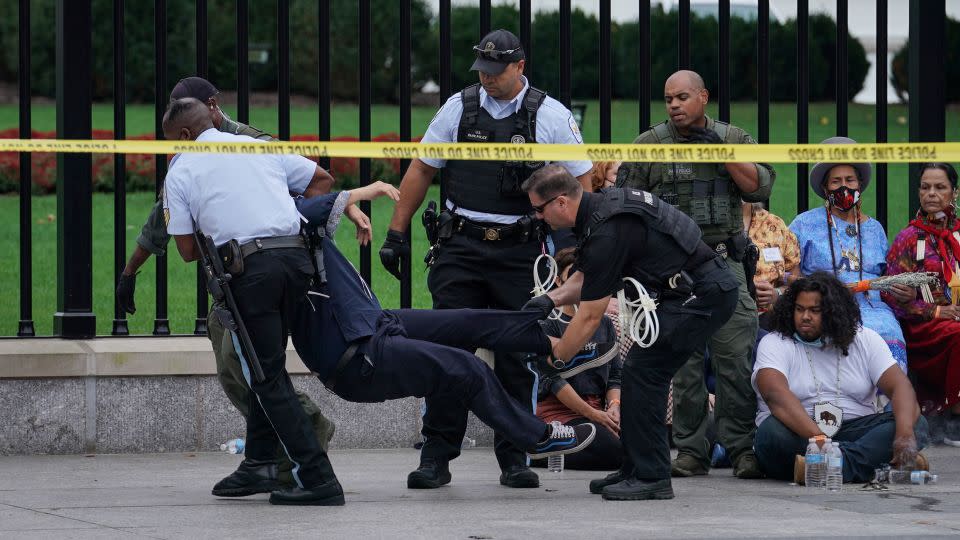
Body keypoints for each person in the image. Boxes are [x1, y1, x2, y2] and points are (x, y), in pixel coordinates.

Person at [378, 29, 593, 490]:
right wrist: (396, 232)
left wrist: (579, 249)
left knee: (518, 357)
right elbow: (421, 168)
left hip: (521, 254)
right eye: (482, 70)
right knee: (448, 353)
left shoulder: (550, 115)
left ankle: (515, 455)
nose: (487, 78)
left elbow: (582, 184)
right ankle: (436, 454)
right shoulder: (458, 108)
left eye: (496, 71)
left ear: (519, 67)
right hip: (462, 249)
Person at [115, 77, 337, 494]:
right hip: (295, 264)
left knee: (264, 375)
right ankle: (259, 464)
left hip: (249, 273)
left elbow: (185, 250)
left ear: (183, 134)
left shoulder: (183, 166)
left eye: (170, 142)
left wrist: (223, 224)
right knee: (257, 368)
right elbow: (321, 178)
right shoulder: (256, 146)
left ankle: (317, 474)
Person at [289, 190, 598, 486]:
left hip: (374, 323)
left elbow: (310, 192)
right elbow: (310, 201)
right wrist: (365, 192)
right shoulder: (277, 226)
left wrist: (346, 205)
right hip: (359, 351)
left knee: (471, 321)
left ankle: (560, 348)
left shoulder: (287, 214)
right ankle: (537, 438)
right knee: (465, 366)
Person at [523, 164, 738, 500]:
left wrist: (555, 359)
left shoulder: (607, 228)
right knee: (640, 370)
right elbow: (585, 275)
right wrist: (548, 299)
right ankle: (635, 467)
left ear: (561, 202)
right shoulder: (600, 212)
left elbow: (591, 316)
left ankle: (652, 476)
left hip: (703, 293)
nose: (537, 217)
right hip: (689, 292)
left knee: (644, 372)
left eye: (539, 209)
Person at [616, 69, 773, 479]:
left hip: (725, 262)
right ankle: (690, 451)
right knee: (682, 362)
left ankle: (741, 448)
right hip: (672, 272)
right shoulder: (648, 145)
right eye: (668, 99)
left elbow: (760, 188)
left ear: (703, 97)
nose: (674, 106)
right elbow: (624, 203)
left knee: (734, 358)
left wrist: (720, 153)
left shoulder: (734, 138)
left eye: (683, 97)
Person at [752, 272, 929, 483]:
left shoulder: (865, 339)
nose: (805, 316)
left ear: (833, 312)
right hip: (799, 432)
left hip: (855, 429)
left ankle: (824, 469)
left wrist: (904, 435)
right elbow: (775, 394)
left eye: (814, 311)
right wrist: (820, 440)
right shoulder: (775, 342)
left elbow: (901, 388)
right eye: (799, 309)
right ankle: (876, 465)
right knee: (771, 434)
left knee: (915, 423)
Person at [788, 137, 912, 373]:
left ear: (859, 184)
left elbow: (886, 276)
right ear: (825, 188)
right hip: (823, 304)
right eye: (836, 181)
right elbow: (789, 273)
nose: (843, 187)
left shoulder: (874, 228)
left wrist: (902, 291)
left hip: (873, 309)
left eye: (849, 180)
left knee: (888, 332)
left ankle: (884, 407)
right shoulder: (804, 224)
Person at [885, 162, 960, 438]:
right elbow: (888, 292)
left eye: (940, 187)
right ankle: (955, 419)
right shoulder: (908, 238)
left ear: (955, 192)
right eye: (925, 187)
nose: (931, 193)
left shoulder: (958, 235)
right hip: (923, 326)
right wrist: (933, 310)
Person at [531, 247, 623, 471]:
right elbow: (550, 379)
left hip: (597, 411)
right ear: (558, 281)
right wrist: (593, 414)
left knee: (645, 441)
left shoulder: (604, 324)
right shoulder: (547, 324)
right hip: (561, 414)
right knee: (616, 452)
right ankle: (543, 449)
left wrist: (614, 407)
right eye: (573, 277)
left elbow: (615, 375)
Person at [744, 201, 800, 329]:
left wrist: (777, 294)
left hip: (766, 320)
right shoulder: (708, 226)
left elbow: (795, 282)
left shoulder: (774, 224)